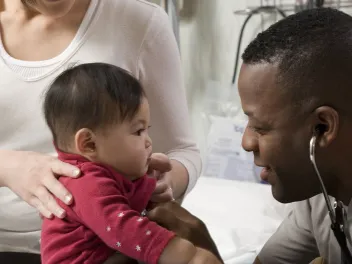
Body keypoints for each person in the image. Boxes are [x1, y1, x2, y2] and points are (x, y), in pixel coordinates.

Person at [147, 7, 352, 264]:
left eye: (260, 127)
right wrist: (202, 244)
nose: (246, 142)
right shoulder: (321, 200)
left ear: (322, 127)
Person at [0, 0, 201, 262]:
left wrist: (166, 182)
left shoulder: (139, 21)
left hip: (105, 251)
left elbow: (183, 151)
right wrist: (7, 166)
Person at [40, 62, 207, 264]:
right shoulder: (84, 182)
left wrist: (151, 180)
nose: (149, 141)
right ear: (89, 144)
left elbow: (139, 196)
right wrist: (180, 252)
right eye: (138, 131)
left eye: (147, 129)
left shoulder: (111, 170)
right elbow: (122, 228)